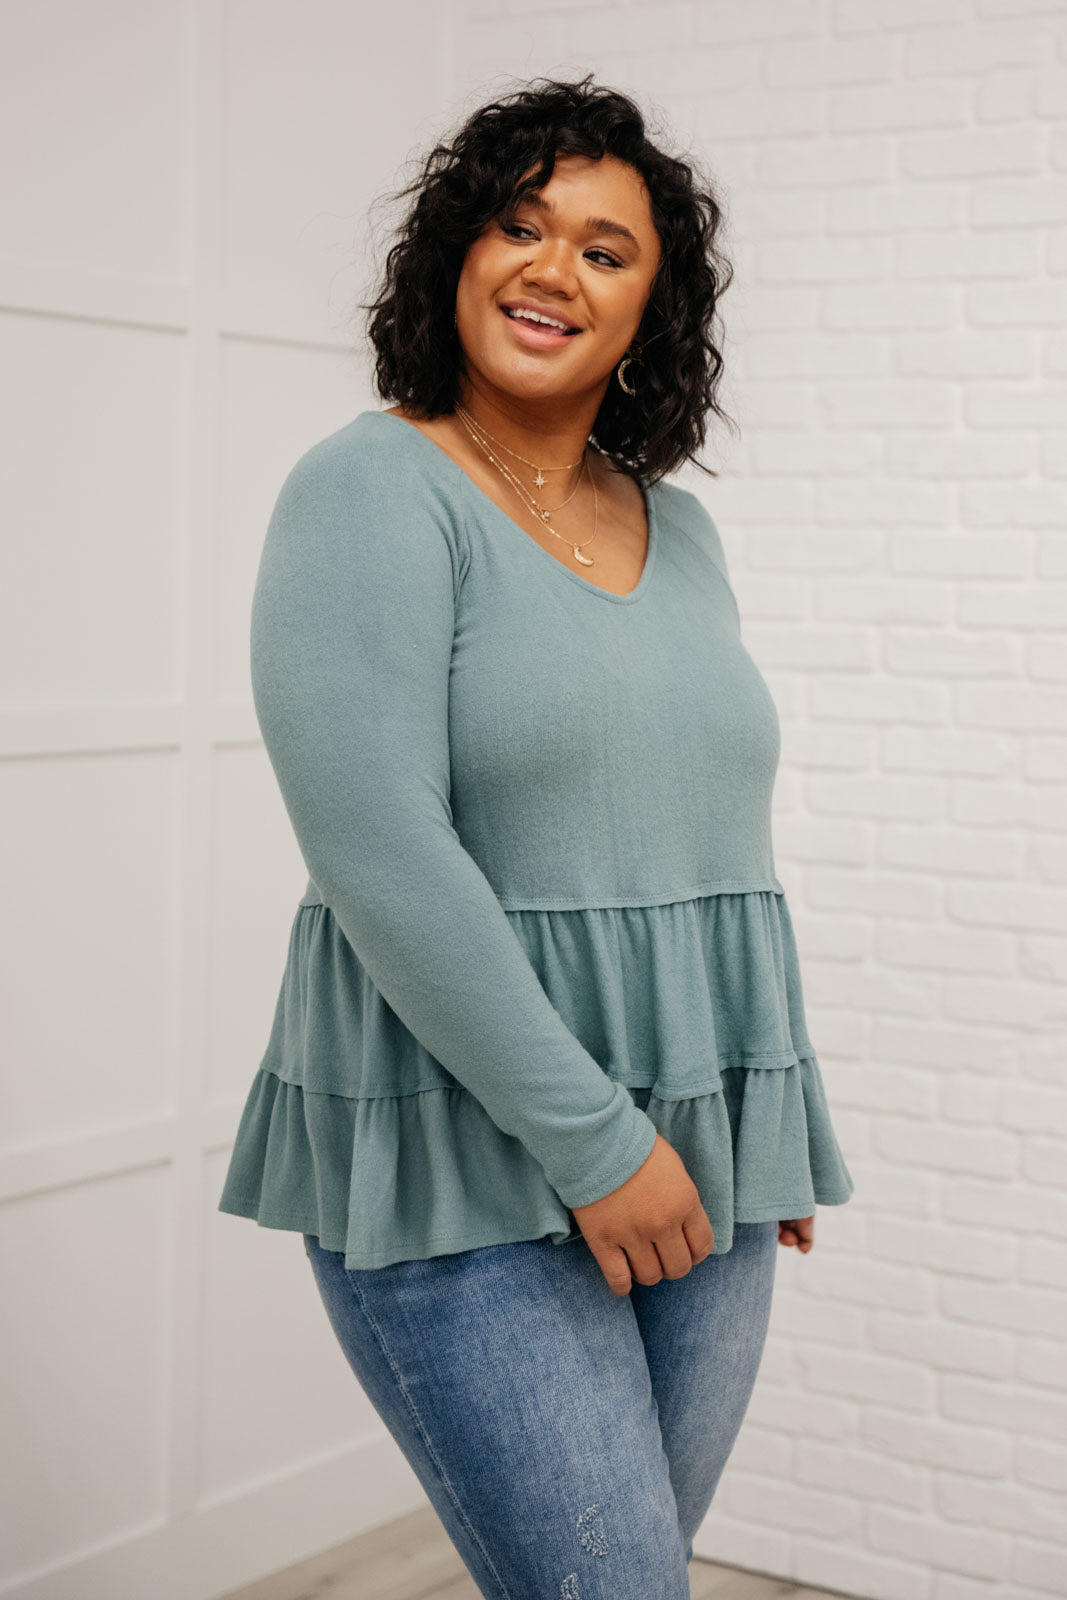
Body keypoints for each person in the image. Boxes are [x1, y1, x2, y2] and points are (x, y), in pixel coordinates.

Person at [217, 74, 854, 1596]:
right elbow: (378, 852)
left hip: (699, 1154)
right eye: (519, 225)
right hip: (475, 1148)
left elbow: (707, 836)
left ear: (650, 313)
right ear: (457, 253)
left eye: (605, 250)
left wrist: (755, 1117)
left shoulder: (680, 529)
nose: (553, 268)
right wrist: (600, 1145)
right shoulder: (372, 489)